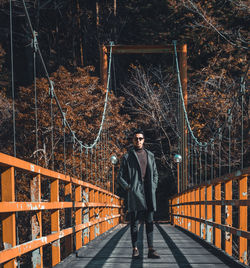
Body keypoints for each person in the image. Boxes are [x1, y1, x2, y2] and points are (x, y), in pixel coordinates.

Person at [117, 129, 160, 259]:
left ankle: (151, 249)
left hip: (148, 192)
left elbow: (155, 174)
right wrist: (129, 188)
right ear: (133, 140)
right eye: (136, 138)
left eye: (140, 138)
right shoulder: (127, 157)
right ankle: (135, 249)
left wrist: (153, 186)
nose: (138, 141)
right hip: (135, 193)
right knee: (134, 222)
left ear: (144, 140)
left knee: (149, 221)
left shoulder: (150, 155)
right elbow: (120, 177)